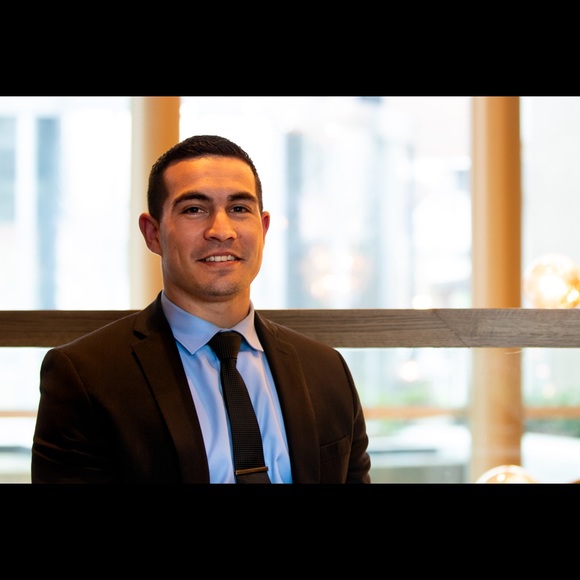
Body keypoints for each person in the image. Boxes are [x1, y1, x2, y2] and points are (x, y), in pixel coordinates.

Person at [31, 134, 371, 484]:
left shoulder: (327, 370)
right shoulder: (86, 376)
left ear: (263, 228)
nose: (221, 231)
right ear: (153, 233)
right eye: (194, 209)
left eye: (239, 209)